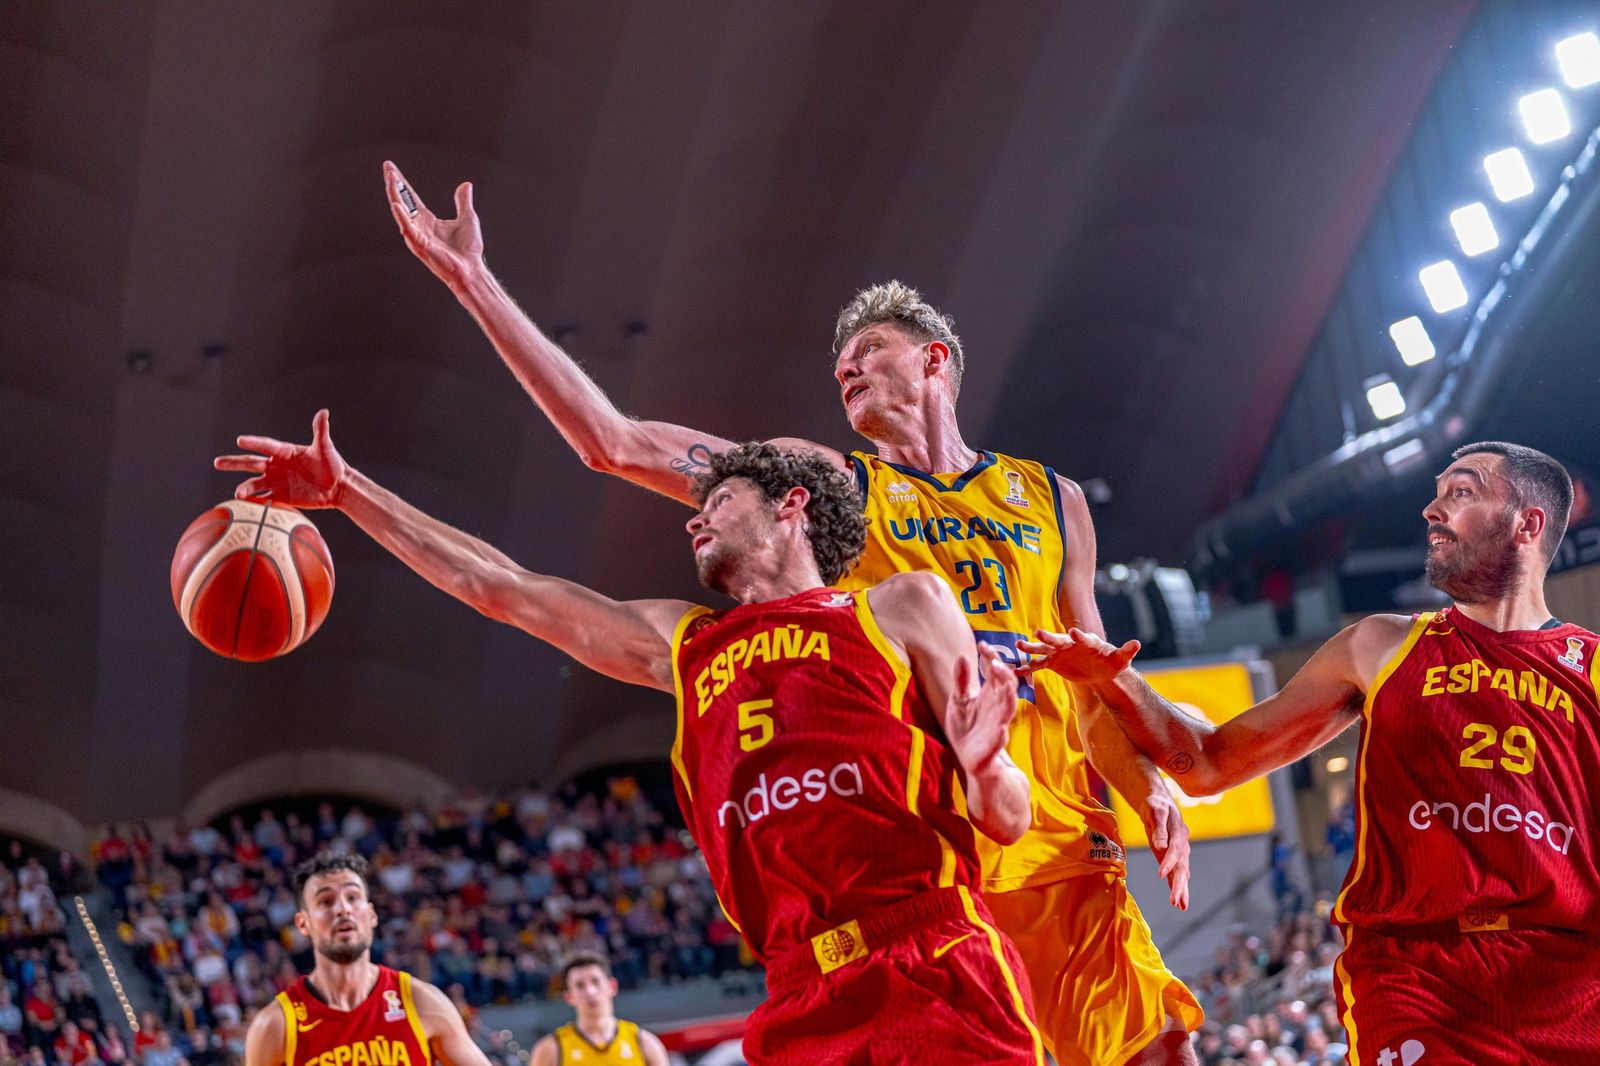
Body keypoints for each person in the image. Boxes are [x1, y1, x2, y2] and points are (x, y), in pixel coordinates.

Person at [381, 163, 1201, 1066]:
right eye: (840, 362)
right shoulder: (828, 483)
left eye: (871, 349)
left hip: (1062, 842)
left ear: (934, 360)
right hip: (948, 850)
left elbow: (1089, 672)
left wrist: (1144, 781)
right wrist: (472, 280)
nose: (847, 366)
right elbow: (612, 442)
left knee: (1161, 1053)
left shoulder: (1053, 498)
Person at [217, 419, 1042, 1063]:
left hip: (930, 956)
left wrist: (985, 761)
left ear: (790, 504)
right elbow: (501, 588)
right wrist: (349, 491)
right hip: (799, 991)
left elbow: (1007, 817)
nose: (695, 523)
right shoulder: (686, 645)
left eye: (717, 502)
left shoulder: (899, 607)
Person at [1021, 441, 1600, 1062]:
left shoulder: (1590, 667)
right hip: (1417, 979)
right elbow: (1210, 763)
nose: (1432, 509)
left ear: (1528, 524)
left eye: (1461, 492)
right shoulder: (1380, 645)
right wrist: (1115, 678)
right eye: (1435, 493)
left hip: (1568, 984)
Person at [241, 852, 495, 1066]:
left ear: (371, 915)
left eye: (353, 897)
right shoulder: (275, 1026)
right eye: (326, 901)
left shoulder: (420, 1003)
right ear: (303, 923)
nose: (343, 909)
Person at [528, 954, 666, 1066]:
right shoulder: (550, 1049)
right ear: (569, 997)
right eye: (580, 985)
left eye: (595, 981)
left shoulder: (645, 1043)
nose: (590, 991)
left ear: (612, 986)